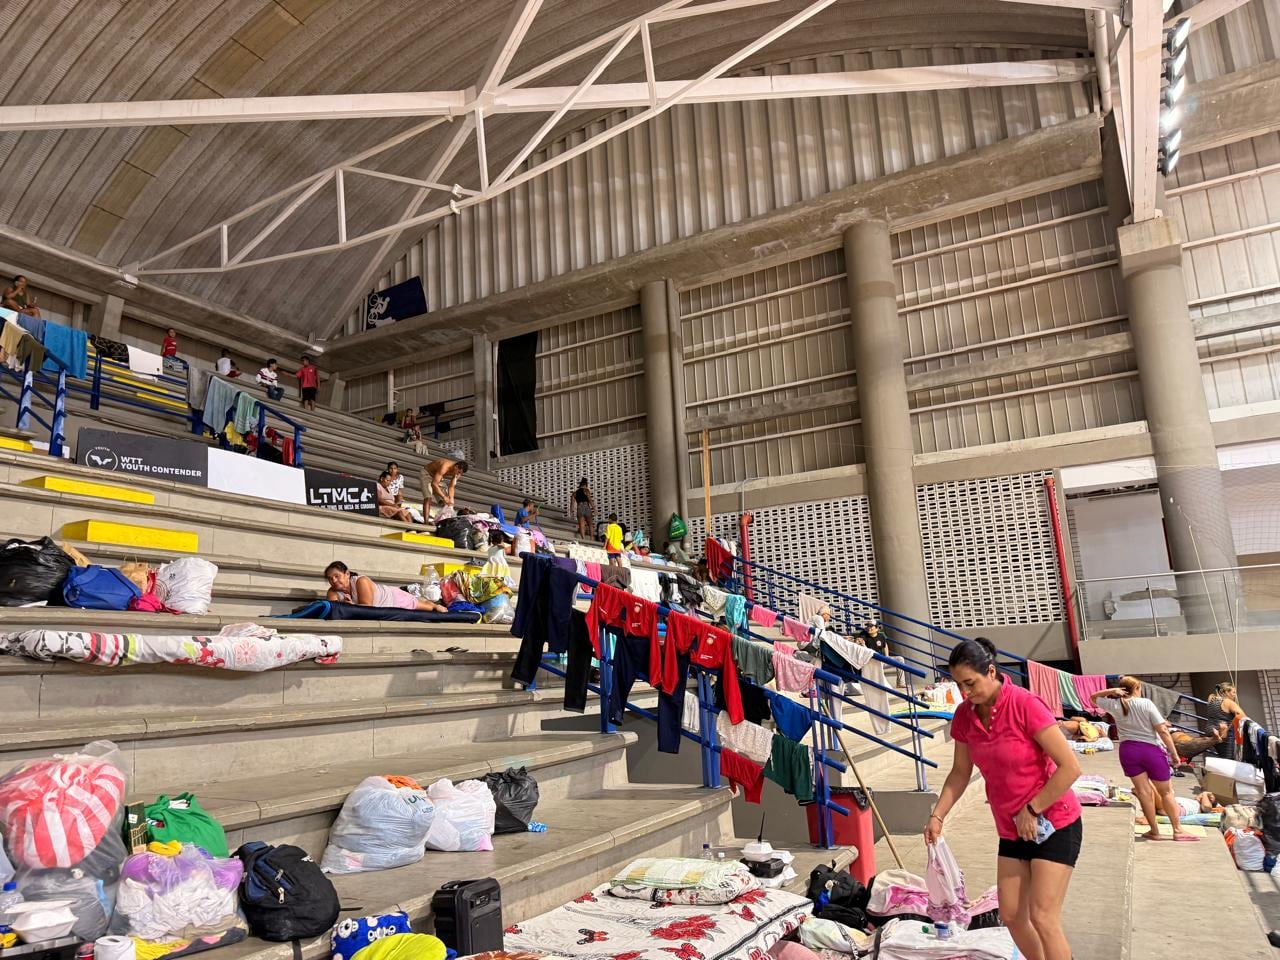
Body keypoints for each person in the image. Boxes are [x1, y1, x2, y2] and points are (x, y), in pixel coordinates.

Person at [926, 637, 1082, 960]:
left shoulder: (1025, 704)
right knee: (1011, 915)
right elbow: (959, 772)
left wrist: (1032, 808)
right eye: (958, 685)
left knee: (1043, 916)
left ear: (992, 671)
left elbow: (1070, 767)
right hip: (1012, 827)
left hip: (1054, 821)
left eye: (970, 683)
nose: (965, 693)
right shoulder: (965, 716)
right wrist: (937, 815)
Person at [1090, 677, 1197, 842]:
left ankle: (1154, 830)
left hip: (1128, 751)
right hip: (1150, 750)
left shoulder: (1115, 705)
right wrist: (1174, 753)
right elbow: (1162, 730)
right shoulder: (1146, 703)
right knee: (1166, 792)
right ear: (1138, 687)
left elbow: (1093, 697)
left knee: (1143, 792)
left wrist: (1111, 692)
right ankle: (1177, 830)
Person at [324, 561, 445, 612]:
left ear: (347, 574)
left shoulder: (361, 581)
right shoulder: (332, 592)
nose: (333, 580)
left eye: (337, 576)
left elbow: (367, 608)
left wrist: (351, 606)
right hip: (386, 599)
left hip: (392, 597)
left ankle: (435, 604)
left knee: (423, 606)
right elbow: (336, 609)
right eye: (330, 578)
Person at [1204, 682, 1245, 758]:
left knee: (1220, 754)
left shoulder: (1211, 699)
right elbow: (1242, 715)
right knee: (1228, 758)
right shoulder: (1228, 702)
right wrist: (1229, 726)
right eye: (1233, 692)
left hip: (1210, 730)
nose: (1235, 695)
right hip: (1224, 732)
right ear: (1226, 692)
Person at [422, 457, 468, 521]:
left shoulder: (457, 473)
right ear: (456, 467)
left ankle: (440, 521)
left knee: (447, 502)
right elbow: (434, 484)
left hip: (438, 478)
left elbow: (451, 487)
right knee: (428, 497)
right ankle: (426, 522)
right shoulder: (444, 466)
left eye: (461, 473)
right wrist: (444, 497)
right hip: (427, 474)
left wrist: (451, 500)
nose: (458, 474)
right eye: (458, 472)